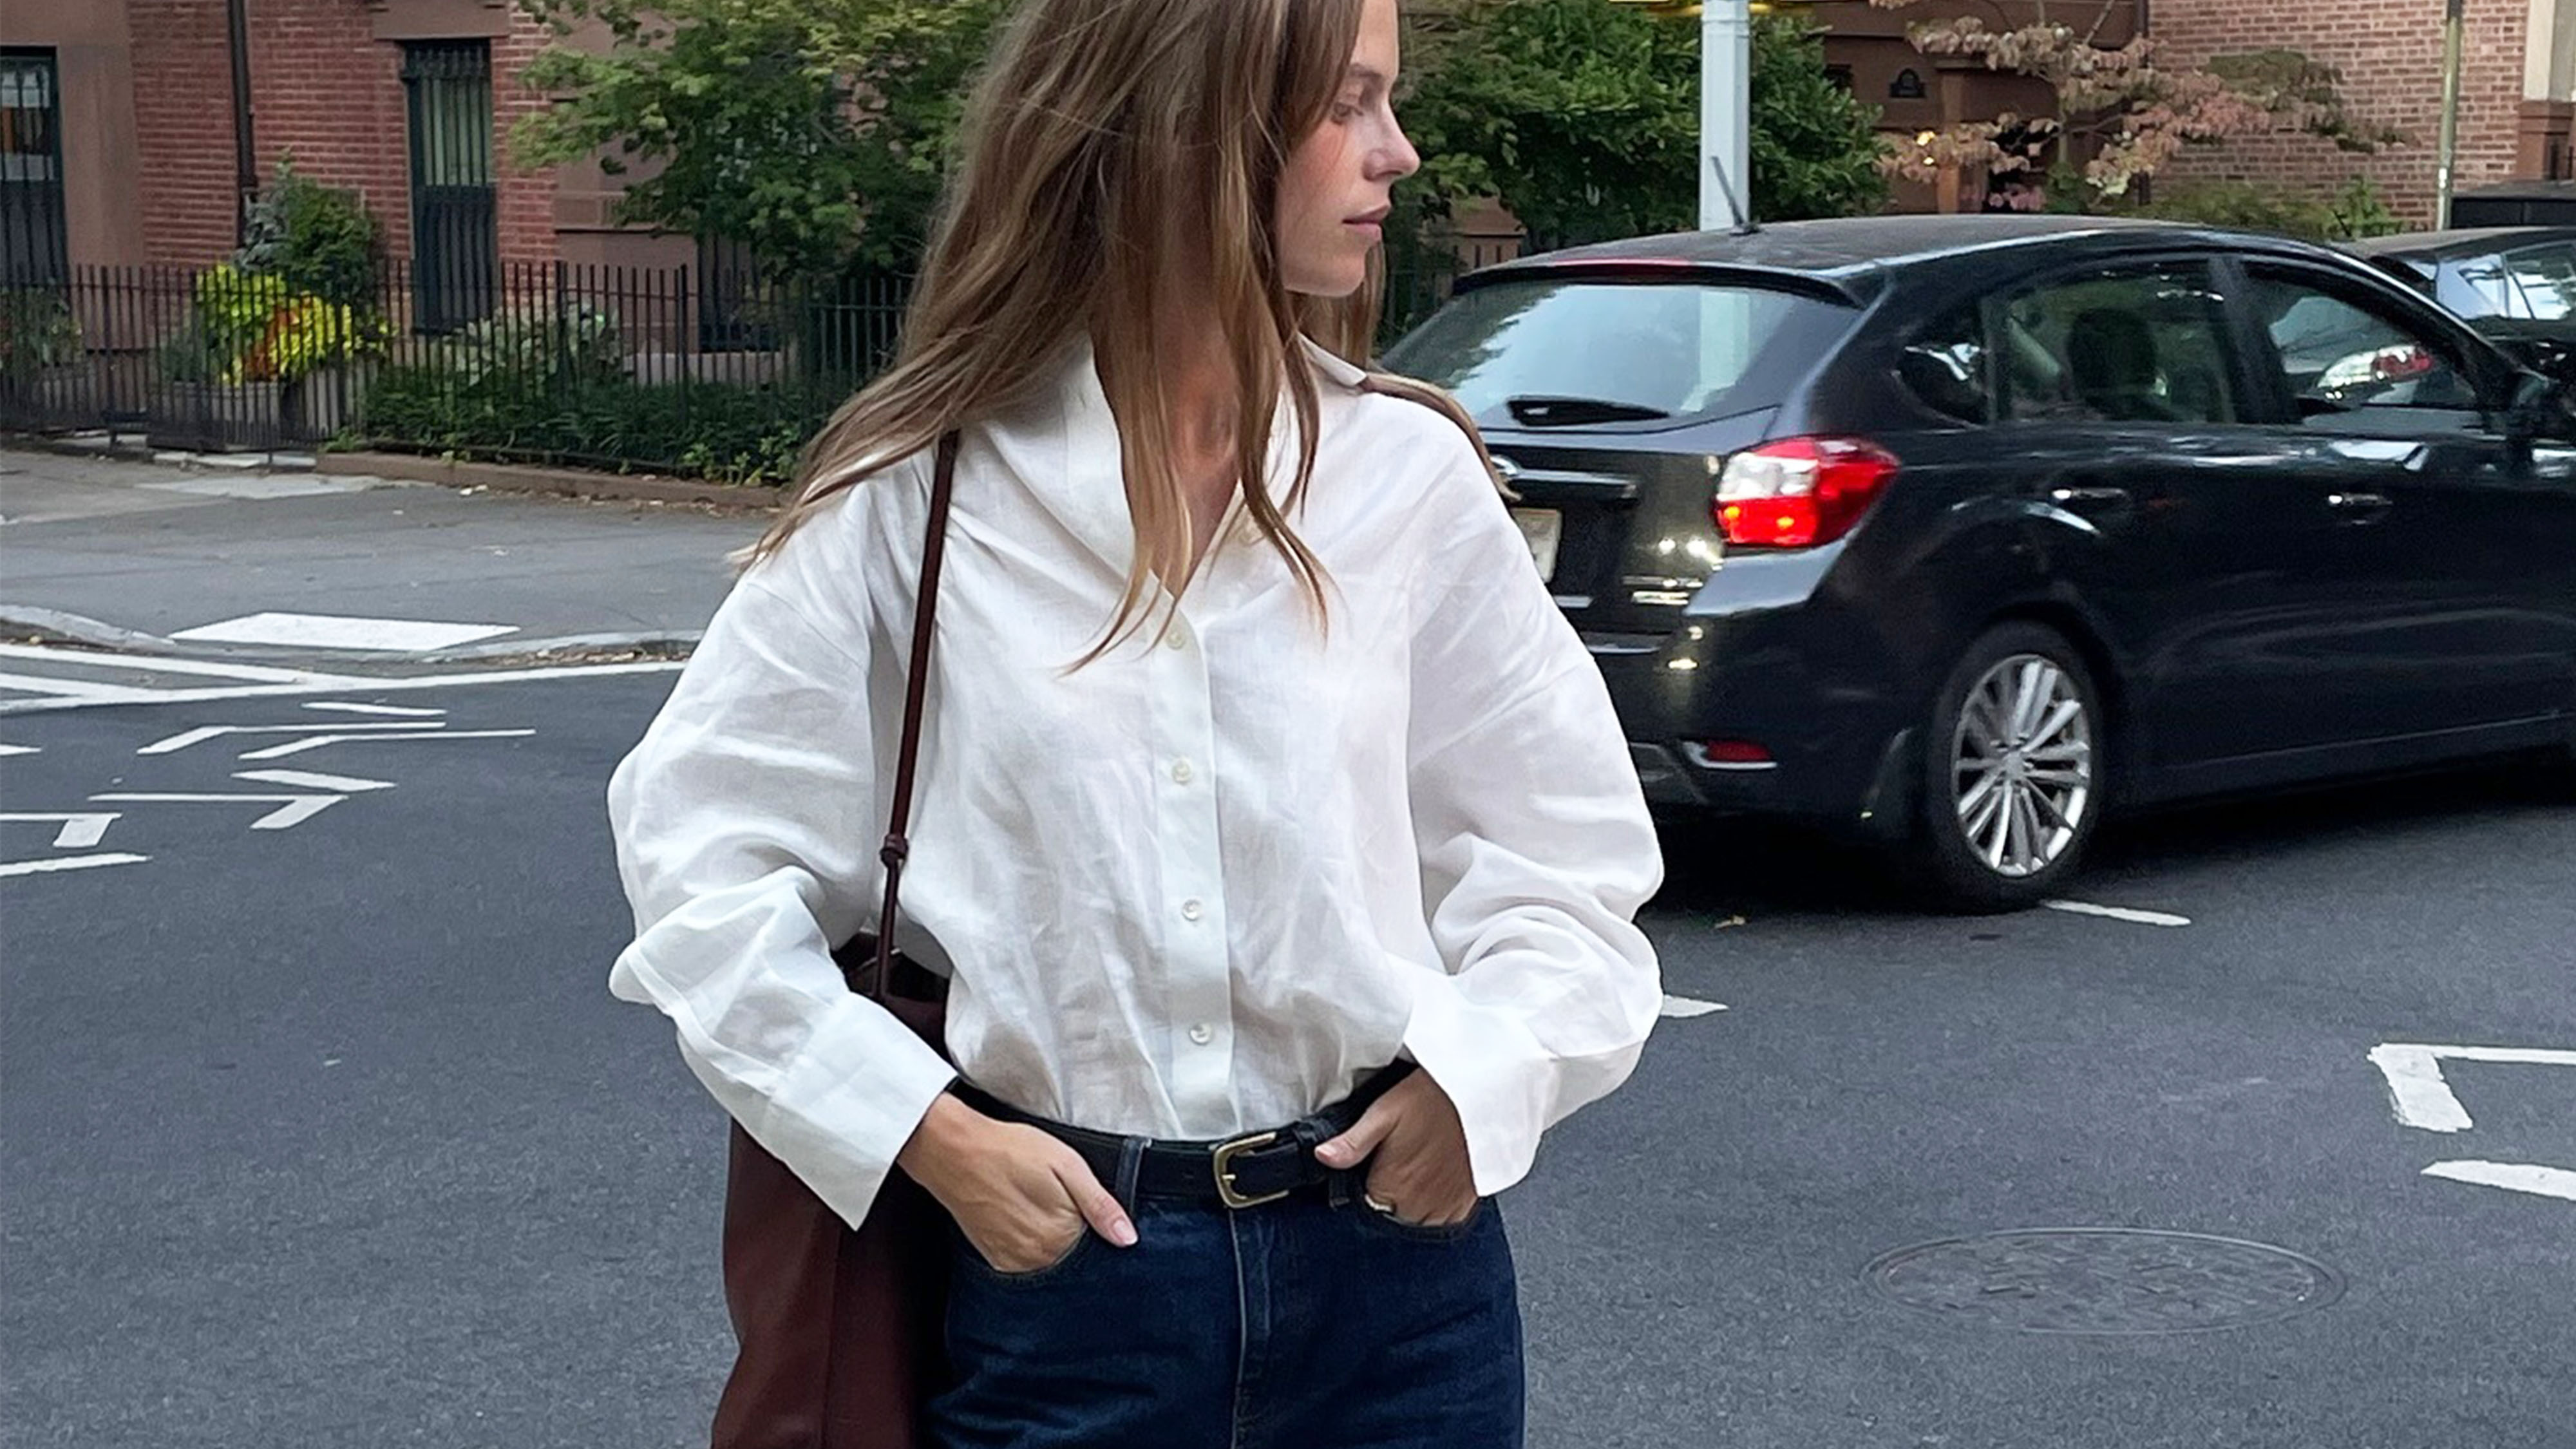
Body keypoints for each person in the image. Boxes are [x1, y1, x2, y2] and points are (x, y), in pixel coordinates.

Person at [605, 0, 1665, 1443]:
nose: (1399, 153)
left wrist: (1484, 1085)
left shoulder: (1403, 476)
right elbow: (699, 867)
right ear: (1193, 127)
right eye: (1348, 102)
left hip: (1397, 1297)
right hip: (1068, 1294)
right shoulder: (920, 494)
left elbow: (1568, 857)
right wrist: (927, 1136)